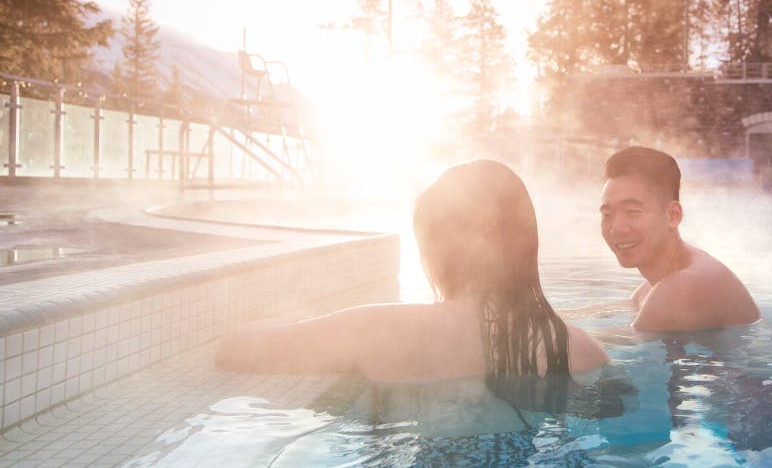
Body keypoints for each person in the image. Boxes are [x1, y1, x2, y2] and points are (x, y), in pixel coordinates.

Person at [216, 160, 609, 408]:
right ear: (526, 245)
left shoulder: (377, 331)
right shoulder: (579, 351)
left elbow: (234, 351)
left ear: (435, 249)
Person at [599, 146, 760, 332]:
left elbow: (612, 351)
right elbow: (603, 314)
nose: (617, 228)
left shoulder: (682, 289)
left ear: (672, 216)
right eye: (607, 214)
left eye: (632, 212)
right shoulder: (653, 289)